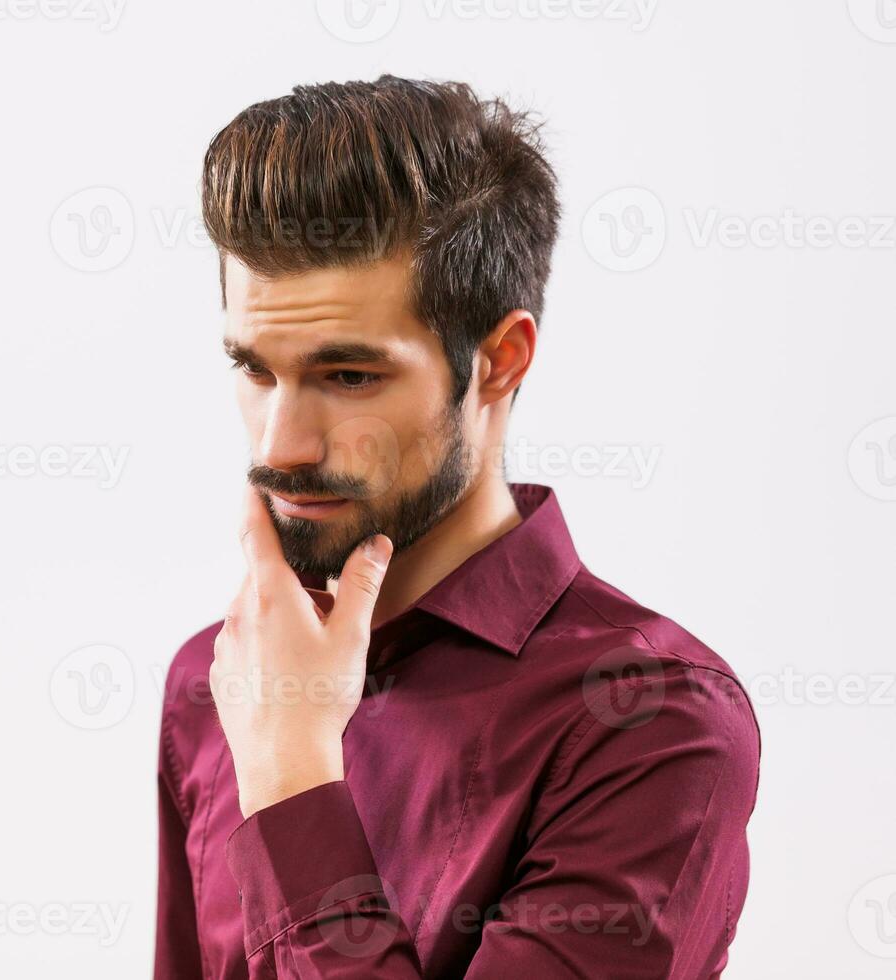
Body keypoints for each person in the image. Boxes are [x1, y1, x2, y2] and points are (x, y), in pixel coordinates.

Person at [154, 76, 760, 979]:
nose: (281, 444)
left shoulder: (652, 721)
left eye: (349, 376)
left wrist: (290, 775)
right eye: (256, 370)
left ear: (499, 361)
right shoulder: (218, 676)